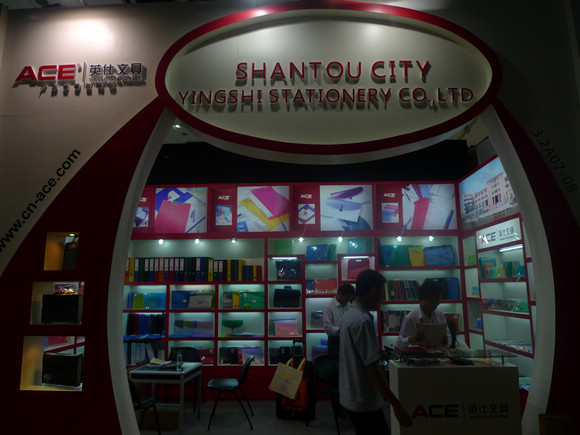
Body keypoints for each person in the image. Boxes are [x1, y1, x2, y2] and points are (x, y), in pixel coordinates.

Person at [339, 269, 413, 433]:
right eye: (382, 292)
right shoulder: (362, 320)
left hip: (350, 395)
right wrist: (396, 404)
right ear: (373, 291)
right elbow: (371, 367)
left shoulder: (349, 315)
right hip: (364, 399)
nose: (383, 298)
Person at [396, 280, 452, 348]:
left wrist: (446, 341)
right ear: (425, 298)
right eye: (435, 299)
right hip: (417, 354)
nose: (438, 303)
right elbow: (399, 343)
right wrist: (410, 339)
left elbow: (448, 336)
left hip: (438, 353)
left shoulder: (440, 315)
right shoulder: (411, 318)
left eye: (439, 299)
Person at [323, 283, 355, 357]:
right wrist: (341, 330)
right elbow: (327, 327)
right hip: (335, 341)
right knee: (336, 363)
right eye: (347, 298)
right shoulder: (329, 307)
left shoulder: (349, 305)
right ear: (340, 294)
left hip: (349, 340)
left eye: (349, 298)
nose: (348, 300)